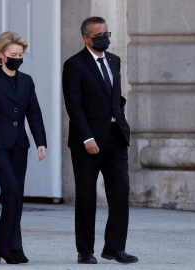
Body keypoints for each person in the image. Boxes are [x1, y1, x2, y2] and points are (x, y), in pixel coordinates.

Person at [62, 16, 138, 264]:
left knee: (120, 191)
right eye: (98, 35)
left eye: (106, 33)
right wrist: (87, 137)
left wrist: (122, 122)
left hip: (115, 139)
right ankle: (85, 251)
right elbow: (74, 105)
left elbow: (116, 96)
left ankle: (115, 248)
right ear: (86, 38)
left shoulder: (114, 60)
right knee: (86, 196)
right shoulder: (74, 65)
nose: (104, 38)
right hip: (88, 143)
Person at [0, 31, 47, 264]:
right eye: (13, 54)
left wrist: (40, 141)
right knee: (13, 192)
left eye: (20, 54)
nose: (17, 57)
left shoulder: (27, 81)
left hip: (19, 146)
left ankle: (10, 247)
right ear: (1, 55)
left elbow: (34, 113)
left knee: (14, 197)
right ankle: (7, 246)